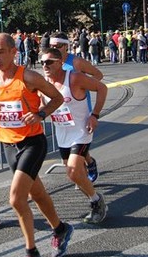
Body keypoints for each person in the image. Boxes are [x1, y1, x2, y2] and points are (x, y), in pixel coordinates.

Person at [0, 33, 73, 257]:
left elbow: (57, 97)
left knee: (15, 198)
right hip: (8, 144)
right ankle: (61, 229)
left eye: (0, 52)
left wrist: (40, 114)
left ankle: (31, 254)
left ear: (13, 52)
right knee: (36, 193)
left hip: (32, 142)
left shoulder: (29, 77)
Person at [40, 47, 108, 224]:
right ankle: (94, 196)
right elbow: (44, 109)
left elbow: (102, 88)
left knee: (72, 171)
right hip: (63, 135)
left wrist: (95, 115)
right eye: (42, 62)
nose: (45, 66)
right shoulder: (44, 85)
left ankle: (96, 201)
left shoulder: (74, 78)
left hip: (81, 132)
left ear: (61, 63)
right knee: (75, 175)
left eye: (49, 62)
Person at [49, 32, 101, 183]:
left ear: (66, 46)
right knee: (74, 144)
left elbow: (98, 75)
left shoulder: (76, 62)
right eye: (51, 46)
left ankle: (87, 169)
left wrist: (84, 86)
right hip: (63, 111)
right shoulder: (50, 62)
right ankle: (86, 169)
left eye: (57, 46)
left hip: (81, 107)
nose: (54, 49)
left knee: (79, 141)